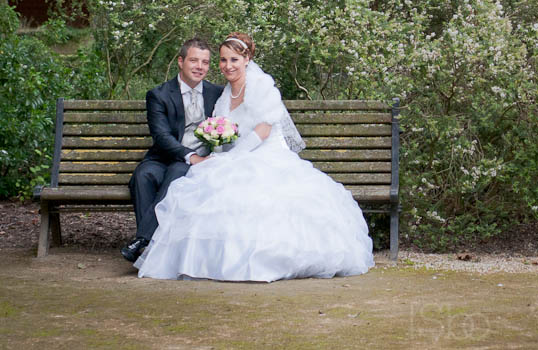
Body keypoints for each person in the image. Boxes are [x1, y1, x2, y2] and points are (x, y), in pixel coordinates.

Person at [134, 32, 375, 281]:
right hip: (232, 156)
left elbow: (263, 130)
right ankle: (170, 248)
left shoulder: (261, 86)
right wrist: (219, 153)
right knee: (199, 188)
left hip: (266, 156)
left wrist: (232, 157)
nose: (228, 66)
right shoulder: (224, 94)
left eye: (234, 60)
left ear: (246, 59)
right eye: (223, 60)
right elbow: (220, 129)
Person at [122, 38, 224, 262]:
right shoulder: (158, 95)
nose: (200, 67)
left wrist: (202, 157)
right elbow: (161, 136)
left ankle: (142, 240)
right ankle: (150, 244)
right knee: (143, 175)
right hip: (164, 157)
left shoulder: (217, 93)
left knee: (178, 172)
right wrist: (190, 156)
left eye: (205, 62)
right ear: (180, 61)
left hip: (195, 163)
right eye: (194, 60)